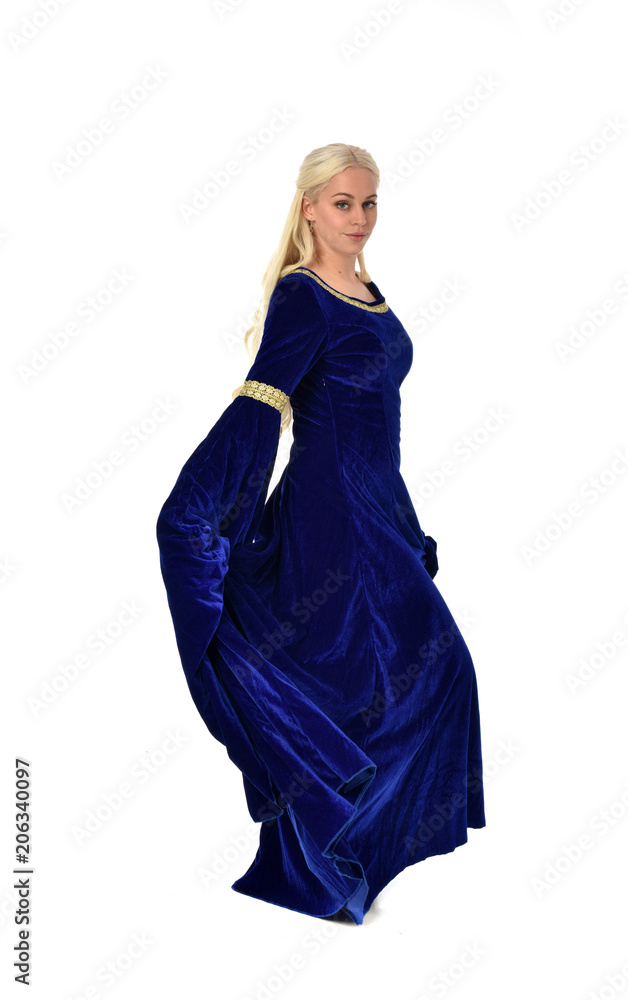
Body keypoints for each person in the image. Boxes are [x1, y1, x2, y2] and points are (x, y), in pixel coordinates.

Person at [156, 142, 486, 925]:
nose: (359, 218)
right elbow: (261, 403)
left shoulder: (367, 288)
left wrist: (404, 519)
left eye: (369, 203)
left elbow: (380, 430)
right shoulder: (303, 295)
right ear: (308, 206)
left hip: (377, 507)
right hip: (331, 515)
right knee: (432, 670)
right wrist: (202, 499)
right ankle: (330, 859)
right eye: (343, 203)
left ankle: (346, 855)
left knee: (396, 678)